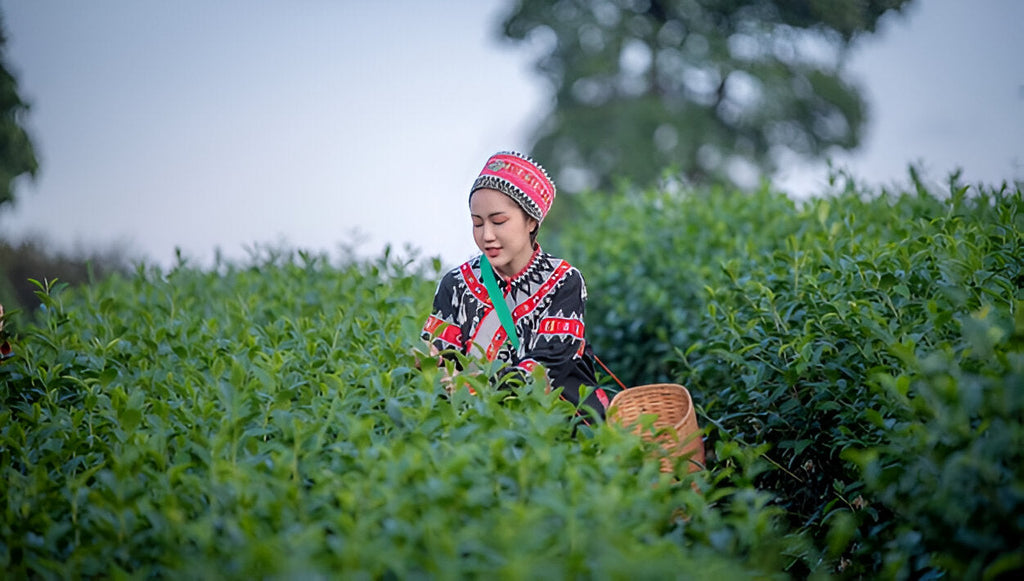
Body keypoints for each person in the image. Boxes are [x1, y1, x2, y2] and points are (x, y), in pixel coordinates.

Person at [421, 151, 610, 419]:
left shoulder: (564, 281)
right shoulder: (456, 284)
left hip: (555, 423)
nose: (487, 235)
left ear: (531, 221)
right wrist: (429, 361)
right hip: (475, 421)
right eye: (477, 223)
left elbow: (548, 366)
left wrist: (475, 383)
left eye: (499, 221)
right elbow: (438, 357)